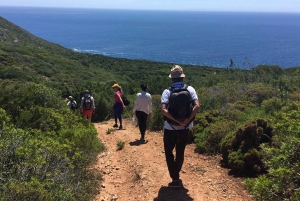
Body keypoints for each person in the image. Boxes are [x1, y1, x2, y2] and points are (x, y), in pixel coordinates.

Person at [161, 65, 200, 188]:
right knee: (180, 151)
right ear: (182, 77)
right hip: (185, 128)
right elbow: (197, 106)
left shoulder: (167, 91)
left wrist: (176, 120)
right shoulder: (190, 89)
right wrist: (186, 121)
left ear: (172, 78)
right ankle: (176, 176)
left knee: (168, 152)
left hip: (170, 128)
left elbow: (163, 110)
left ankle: (175, 178)